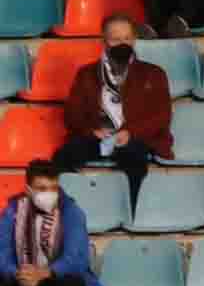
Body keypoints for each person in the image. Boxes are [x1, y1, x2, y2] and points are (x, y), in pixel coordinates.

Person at [52, 23, 169, 200]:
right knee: (62, 157)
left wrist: (130, 132)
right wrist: (92, 131)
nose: (122, 44)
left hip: (134, 138)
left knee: (135, 160)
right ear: (104, 41)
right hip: (97, 137)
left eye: (127, 38)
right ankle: (72, 205)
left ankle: (128, 210)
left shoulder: (153, 73)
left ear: (134, 40)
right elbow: (72, 115)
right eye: (116, 39)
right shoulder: (86, 73)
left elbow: (161, 116)